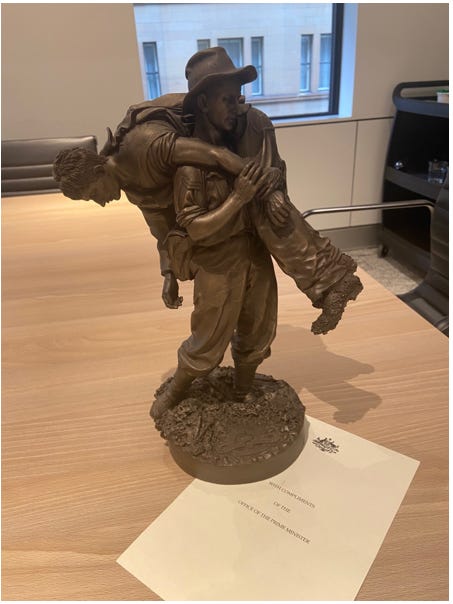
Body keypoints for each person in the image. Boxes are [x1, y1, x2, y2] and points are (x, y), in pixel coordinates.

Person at [54, 48, 362, 335]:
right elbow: (163, 230)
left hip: (229, 151)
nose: (100, 202)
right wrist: (169, 274)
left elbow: (214, 154)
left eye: (93, 194)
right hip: (207, 186)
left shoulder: (145, 145)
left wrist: (267, 191)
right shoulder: (132, 186)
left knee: (264, 208)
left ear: (98, 171)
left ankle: (334, 282)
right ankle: (330, 282)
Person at [150, 61, 279, 419]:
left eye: (238, 99)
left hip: (255, 254)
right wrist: (238, 198)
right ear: (204, 103)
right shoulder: (191, 165)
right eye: (227, 100)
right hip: (218, 263)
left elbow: (271, 182)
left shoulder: (244, 146)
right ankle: (175, 393)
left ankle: (243, 388)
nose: (237, 107)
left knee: (258, 326)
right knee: (208, 337)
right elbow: (195, 228)